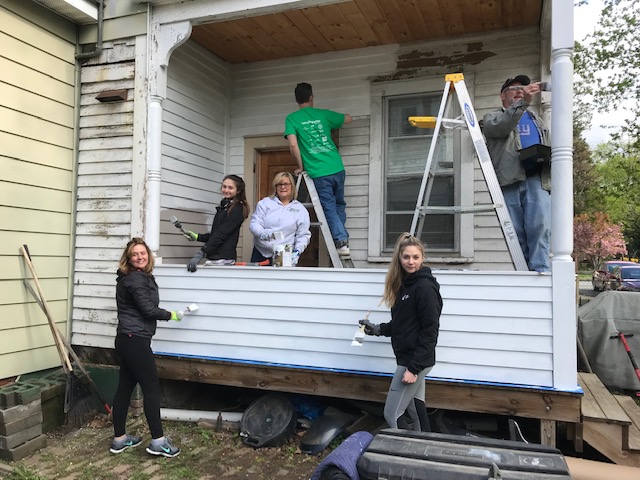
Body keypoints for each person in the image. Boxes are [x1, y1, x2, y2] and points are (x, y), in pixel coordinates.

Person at [359, 233, 442, 431]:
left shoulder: (424, 287)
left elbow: (430, 330)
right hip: (410, 359)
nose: (411, 262)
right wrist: (377, 329)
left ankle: (402, 453)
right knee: (415, 409)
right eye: (406, 257)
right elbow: (402, 324)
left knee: (392, 413)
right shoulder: (406, 286)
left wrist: (413, 368)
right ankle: (424, 451)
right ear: (399, 258)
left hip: (414, 361)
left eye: (416, 257)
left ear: (422, 258)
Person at [111, 237, 182, 457]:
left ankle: (120, 439)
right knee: (151, 388)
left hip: (127, 338)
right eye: (135, 254)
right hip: (135, 340)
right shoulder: (134, 280)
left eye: (143, 253)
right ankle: (158, 442)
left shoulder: (134, 277)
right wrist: (171, 315)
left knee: (124, 388)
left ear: (148, 256)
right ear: (129, 258)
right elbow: (148, 310)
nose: (140, 257)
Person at [482, 75, 551, 273]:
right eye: (515, 88)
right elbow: (501, 126)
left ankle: (539, 272)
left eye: (523, 87)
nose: (520, 90)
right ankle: (523, 274)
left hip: (536, 179)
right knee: (516, 233)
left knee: (540, 226)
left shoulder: (536, 119)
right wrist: (523, 103)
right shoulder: (493, 117)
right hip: (509, 181)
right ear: (502, 96)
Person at [284, 82, 353, 256]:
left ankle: (341, 240)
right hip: (336, 166)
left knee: (328, 207)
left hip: (319, 171)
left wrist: (301, 167)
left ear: (296, 99)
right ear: (311, 98)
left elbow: (293, 144)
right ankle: (342, 239)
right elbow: (348, 118)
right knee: (339, 204)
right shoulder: (324, 114)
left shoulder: (292, 118)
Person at [184, 174, 250, 272]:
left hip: (224, 259)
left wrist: (201, 253)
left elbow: (222, 234)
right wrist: (198, 237)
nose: (226, 190)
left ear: (238, 191)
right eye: (224, 186)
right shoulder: (224, 207)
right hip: (215, 257)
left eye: (230, 188)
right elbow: (216, 233)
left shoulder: (237, 209)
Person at [249, 171, 311, 266]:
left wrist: (297, 251)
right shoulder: (265, 203)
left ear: (292, 186)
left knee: (280, 280)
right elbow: (254, 223)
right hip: (261, 253)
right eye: (279, 184)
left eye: (286, 184)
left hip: (284, 254)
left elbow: (303, 235)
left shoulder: (300, 210)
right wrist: (263, 234)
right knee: (257, 280)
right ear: (275, 187)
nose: (283, 187)